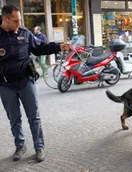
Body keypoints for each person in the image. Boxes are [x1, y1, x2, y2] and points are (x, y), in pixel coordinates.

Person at [0, 4, 70, 162]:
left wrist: (59, 46)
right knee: (14, 118)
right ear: (5, 19)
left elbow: (40, 48)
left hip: (26, 82)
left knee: (34, 117)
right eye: (16, 21)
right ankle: (20, 146)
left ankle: (39, 147)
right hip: (5, 85)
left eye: (20, 20)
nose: (19, 24)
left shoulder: (25, 33)